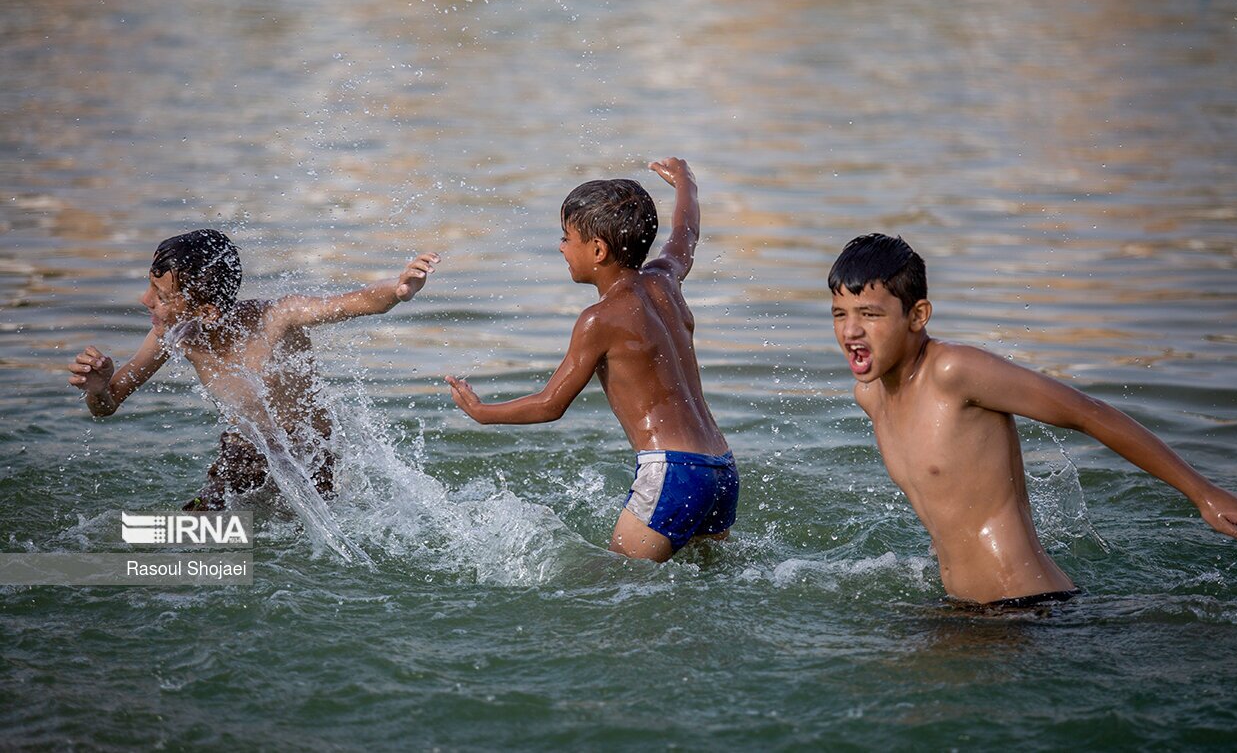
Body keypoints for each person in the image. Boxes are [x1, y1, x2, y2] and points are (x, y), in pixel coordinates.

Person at [829, 233, 1237, 607]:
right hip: (962, 609)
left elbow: (1086, 413)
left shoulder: (953, 372)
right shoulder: (871, 397)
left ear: (917, 316)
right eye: (840, 314)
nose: (851, 332)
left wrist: (1203, 493)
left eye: (870, 315)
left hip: (1026, 609)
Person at [446, 158, 737, 562]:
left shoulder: (599, 320)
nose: (561, 248)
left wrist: (482, 412)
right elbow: (686, 233)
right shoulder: (666, 279)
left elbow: (551, 404)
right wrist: (687, 182)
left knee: (618, 586)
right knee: (709, 583)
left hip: (672, 470)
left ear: (597, 249)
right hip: (720, 467)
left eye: (566, 238)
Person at [67, 229, 439, 510]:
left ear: (208, 312)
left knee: (293, 551)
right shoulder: (174, 336)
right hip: (244, 451)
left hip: (308, 454)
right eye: (150, 286)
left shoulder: (277, 318)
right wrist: (98, 389)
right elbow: (107, 407)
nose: (145, 300)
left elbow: (354, 302)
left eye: (162, 296)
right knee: (184, 532)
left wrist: (399, 289)